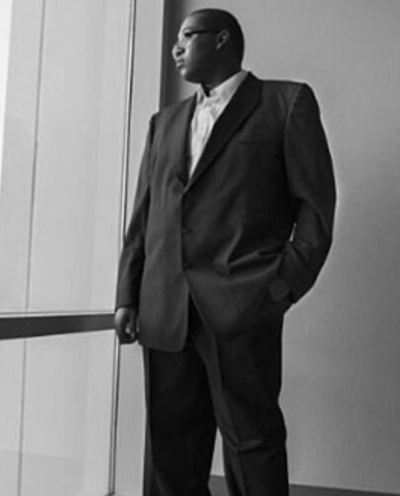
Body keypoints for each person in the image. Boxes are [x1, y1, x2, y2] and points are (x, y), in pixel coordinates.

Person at [114, 8, 336, 496]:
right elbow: (144, 217)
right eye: (174, 39)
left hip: (243, 305)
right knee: (170, 448)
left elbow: (315, 211)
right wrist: (127, 295)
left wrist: (279, 288)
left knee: (252, 442)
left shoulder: (285, 104)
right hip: (164, 307)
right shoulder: (163, 123)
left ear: (221, 40)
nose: (176, 48)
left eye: (187, 36)